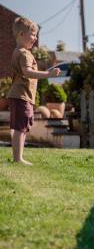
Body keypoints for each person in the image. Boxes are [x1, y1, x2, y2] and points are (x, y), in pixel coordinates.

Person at [7, 17, 60, 165]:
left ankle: (19, 157)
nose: (35, 39)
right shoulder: (24, 54)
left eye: (36, 35)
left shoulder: (17, 51)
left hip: (22, 95)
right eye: (33, 34)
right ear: (21, 34)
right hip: (21, 95)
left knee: (22, 127)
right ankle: (18, 158)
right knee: (19, 128)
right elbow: (27, 72)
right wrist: (48, 74)